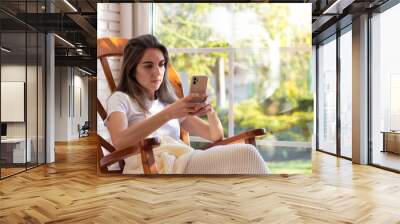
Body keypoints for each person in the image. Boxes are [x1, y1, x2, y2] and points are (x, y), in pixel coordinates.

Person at [105, 34, 268, 174]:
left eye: (161, 64)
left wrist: (210, 112)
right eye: (148, 66)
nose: (157, 72)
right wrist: (169, 114)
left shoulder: (168, 103)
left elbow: (215, 136)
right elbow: (120, 142)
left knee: (246, 158)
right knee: (246, 154)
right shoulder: (120, 99)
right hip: (156, 167)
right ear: (132, 69)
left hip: (183, 161)